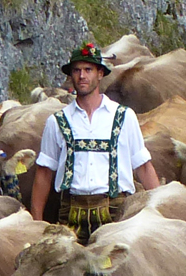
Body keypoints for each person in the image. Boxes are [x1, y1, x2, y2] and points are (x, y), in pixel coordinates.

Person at [30, 42, 160, 243]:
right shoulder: (56, 121)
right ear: (71, 76)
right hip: (70, 212)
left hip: (116, 213)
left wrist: (157, 213)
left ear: (100, 74)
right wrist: (37, 224)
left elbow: (143, 167)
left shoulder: (124, 117)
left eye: (88, 70)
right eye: (77, 70)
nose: (82, 76)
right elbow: (44, 174)